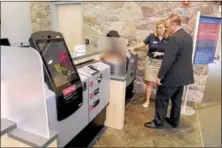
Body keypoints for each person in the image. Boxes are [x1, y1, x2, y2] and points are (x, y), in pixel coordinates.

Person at [144, 14, 194, 129]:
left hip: (172, 77)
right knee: (176, 101)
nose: (166, 29)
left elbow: (168, 60)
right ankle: (174, 121)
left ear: (173, 25)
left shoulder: (175, 38)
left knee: (161, 99)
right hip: (182, 77)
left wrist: (159, 76)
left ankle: (158, 122)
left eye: (167, 27)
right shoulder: (187, 36)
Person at [129, 20, 169, 108]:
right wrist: (134, 48)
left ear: (165, 28)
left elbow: (171, 52)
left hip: (161, 63)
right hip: (150, 62)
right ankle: (147, 100)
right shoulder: (151, 37)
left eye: (161, 27)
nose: (159, 29)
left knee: (159, 83)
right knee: (149, 83)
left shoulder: (169, 38)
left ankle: (159, 101)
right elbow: (142, 44)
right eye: (157, 28)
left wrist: (161, 54)